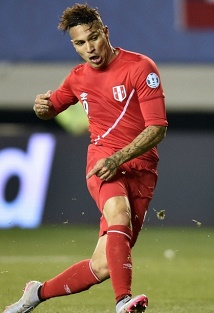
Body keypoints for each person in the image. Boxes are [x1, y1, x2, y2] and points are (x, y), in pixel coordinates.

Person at [3, 4, 167, 313]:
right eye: (80, 43)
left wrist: (121, 157)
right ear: (74, 45)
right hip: (102, 160)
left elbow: (157, 128)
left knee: (103, 266)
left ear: (105, 33)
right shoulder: (78, 78)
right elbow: (52, 106)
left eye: (93, 38)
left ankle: (35, 295)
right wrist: (42, 107)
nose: (89, 48)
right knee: (118, 212)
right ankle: (123, 302)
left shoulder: (141, 68)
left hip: (140, 167)